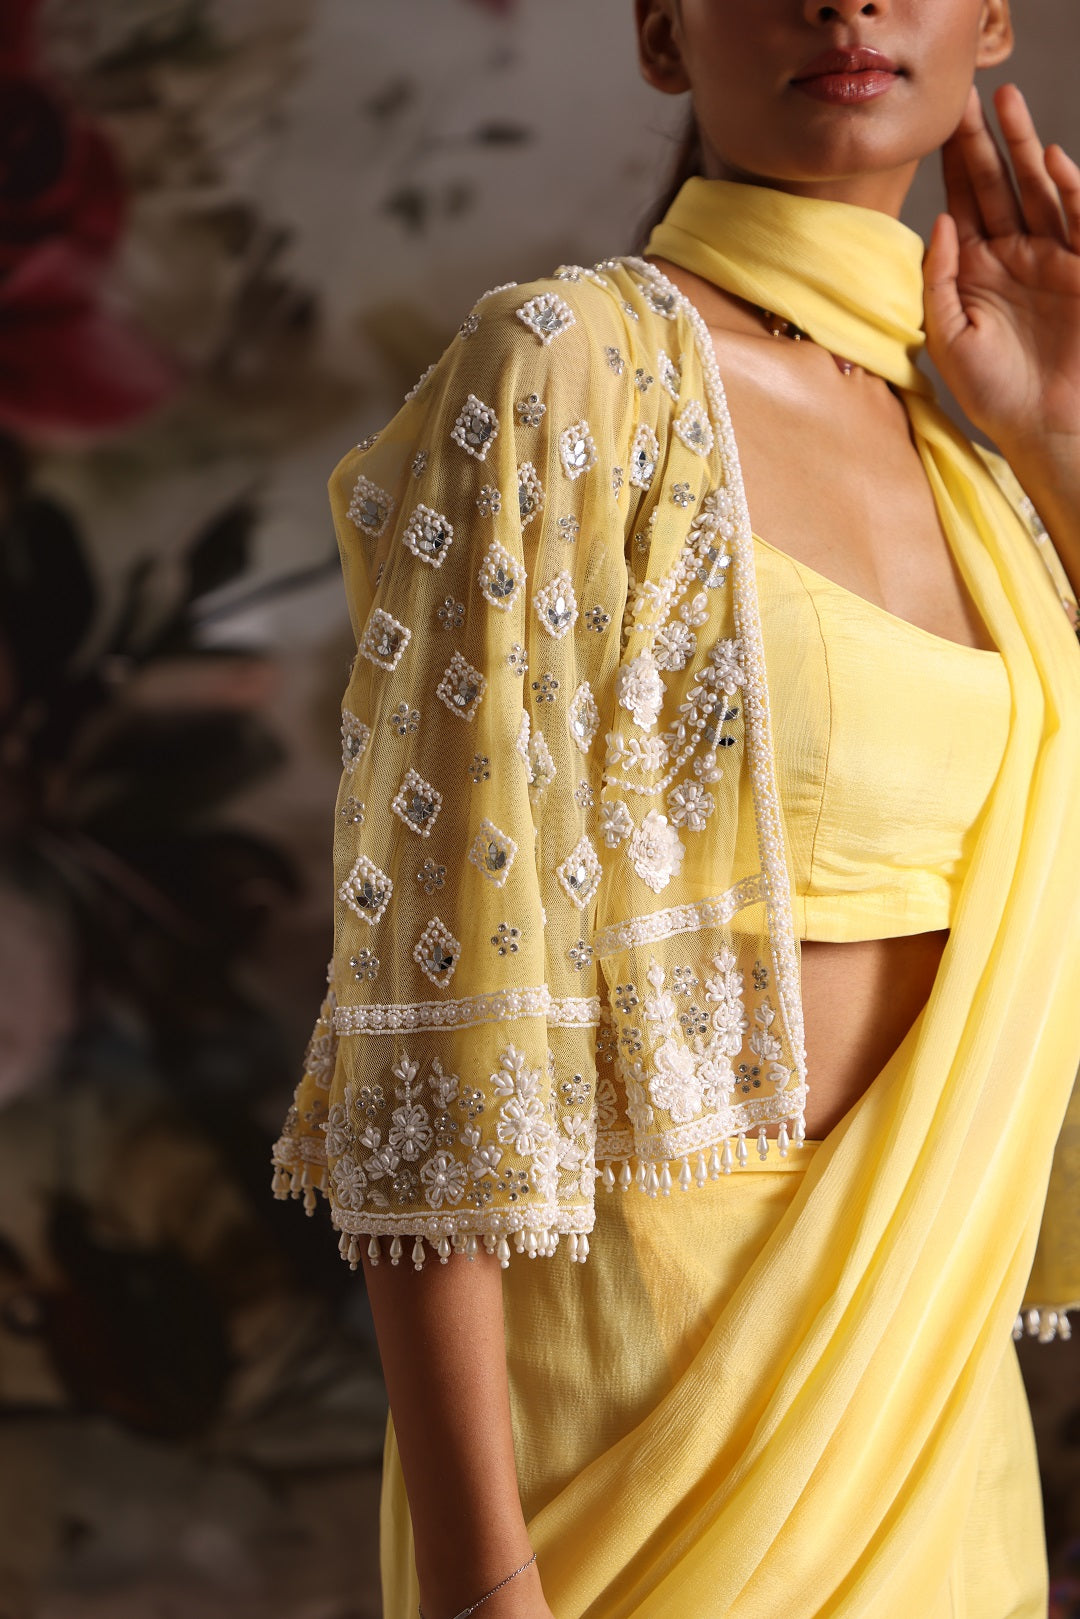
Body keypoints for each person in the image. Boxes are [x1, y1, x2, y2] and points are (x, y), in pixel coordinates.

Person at [271, 1, 1080, 1614]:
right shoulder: (573, 368)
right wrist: (480, 1582)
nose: (847, 3)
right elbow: (432, 1025)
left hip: (928, 1381)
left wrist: (1063, 441)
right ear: (661, 34)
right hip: (632, 1397)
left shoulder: (981, 445)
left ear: (992, 19)